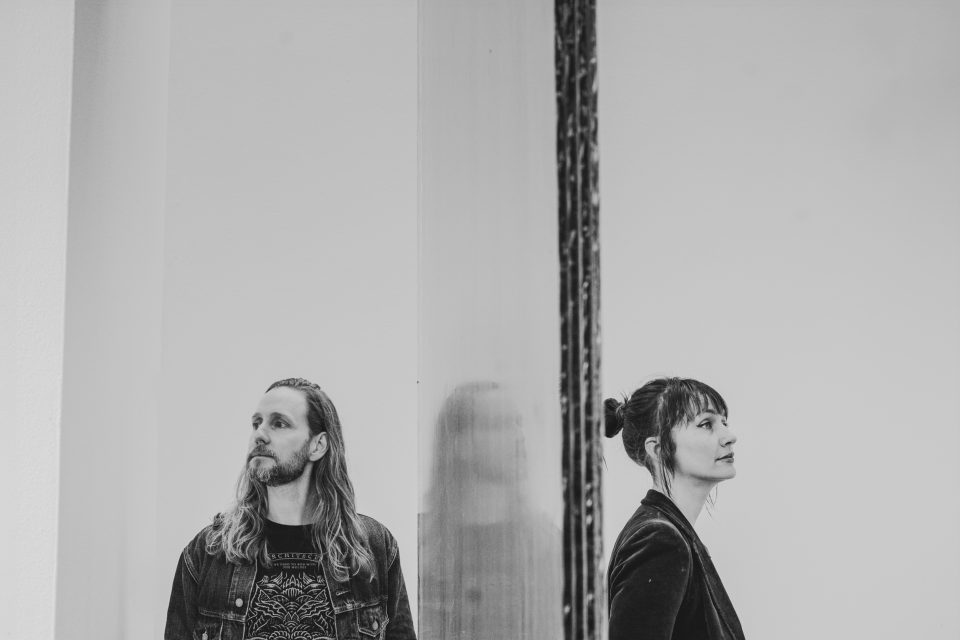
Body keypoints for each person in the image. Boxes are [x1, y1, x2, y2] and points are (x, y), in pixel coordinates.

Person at [165, 378, 416, 640]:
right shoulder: (209, 552)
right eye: (256, 423)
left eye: (279, 423)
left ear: (318, 445)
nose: (259, 434)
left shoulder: (373, 547)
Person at [605, 377, 745, 640]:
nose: (729, 436)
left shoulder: (671, 534)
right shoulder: (660, 540)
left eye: (724, 422)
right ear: (657, 449)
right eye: (706, 424)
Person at [419, 381, 561, 640]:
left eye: (517, 423)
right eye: (499, 425)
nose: (518, 436)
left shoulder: (545, 545)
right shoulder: (425, 545)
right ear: (460, 444)